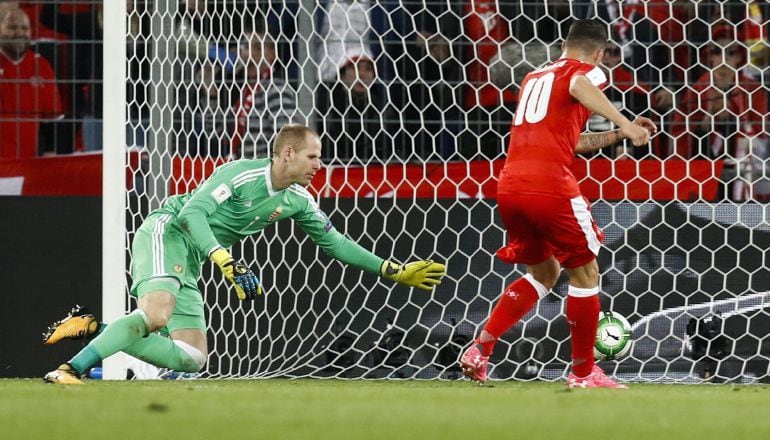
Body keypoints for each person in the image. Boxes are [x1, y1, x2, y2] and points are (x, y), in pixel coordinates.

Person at [43, 124, 446, 384]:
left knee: (192, 357)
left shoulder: (299, 200)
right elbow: (191, 213)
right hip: (168, 232)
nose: (318, 165)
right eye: (312, 156)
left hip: (197, 257)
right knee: (157, 314)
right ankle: (69, 369)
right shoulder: (241, 174)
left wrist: (390, 269)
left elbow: (335, 242)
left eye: (320, 158)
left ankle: (97, 329)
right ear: (287, 153)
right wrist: (224, 258)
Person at [459, 19, 656, 388]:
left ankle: (480, 349)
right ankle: (584, 373)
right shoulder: (586, 72)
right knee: (586, 274)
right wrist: (626, 123)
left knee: (544, 274)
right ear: (599, 53)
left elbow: (570, 141)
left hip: (511, 185)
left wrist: (614, 135)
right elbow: (581, 83)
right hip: (550, 186)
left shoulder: (534, 76)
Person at [0, 6, 63, 159]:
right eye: (12, 27)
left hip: (27, 163)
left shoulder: (42, 66)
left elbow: (52, 119)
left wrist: (50, 154)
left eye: (24, 28)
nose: (19, 33)